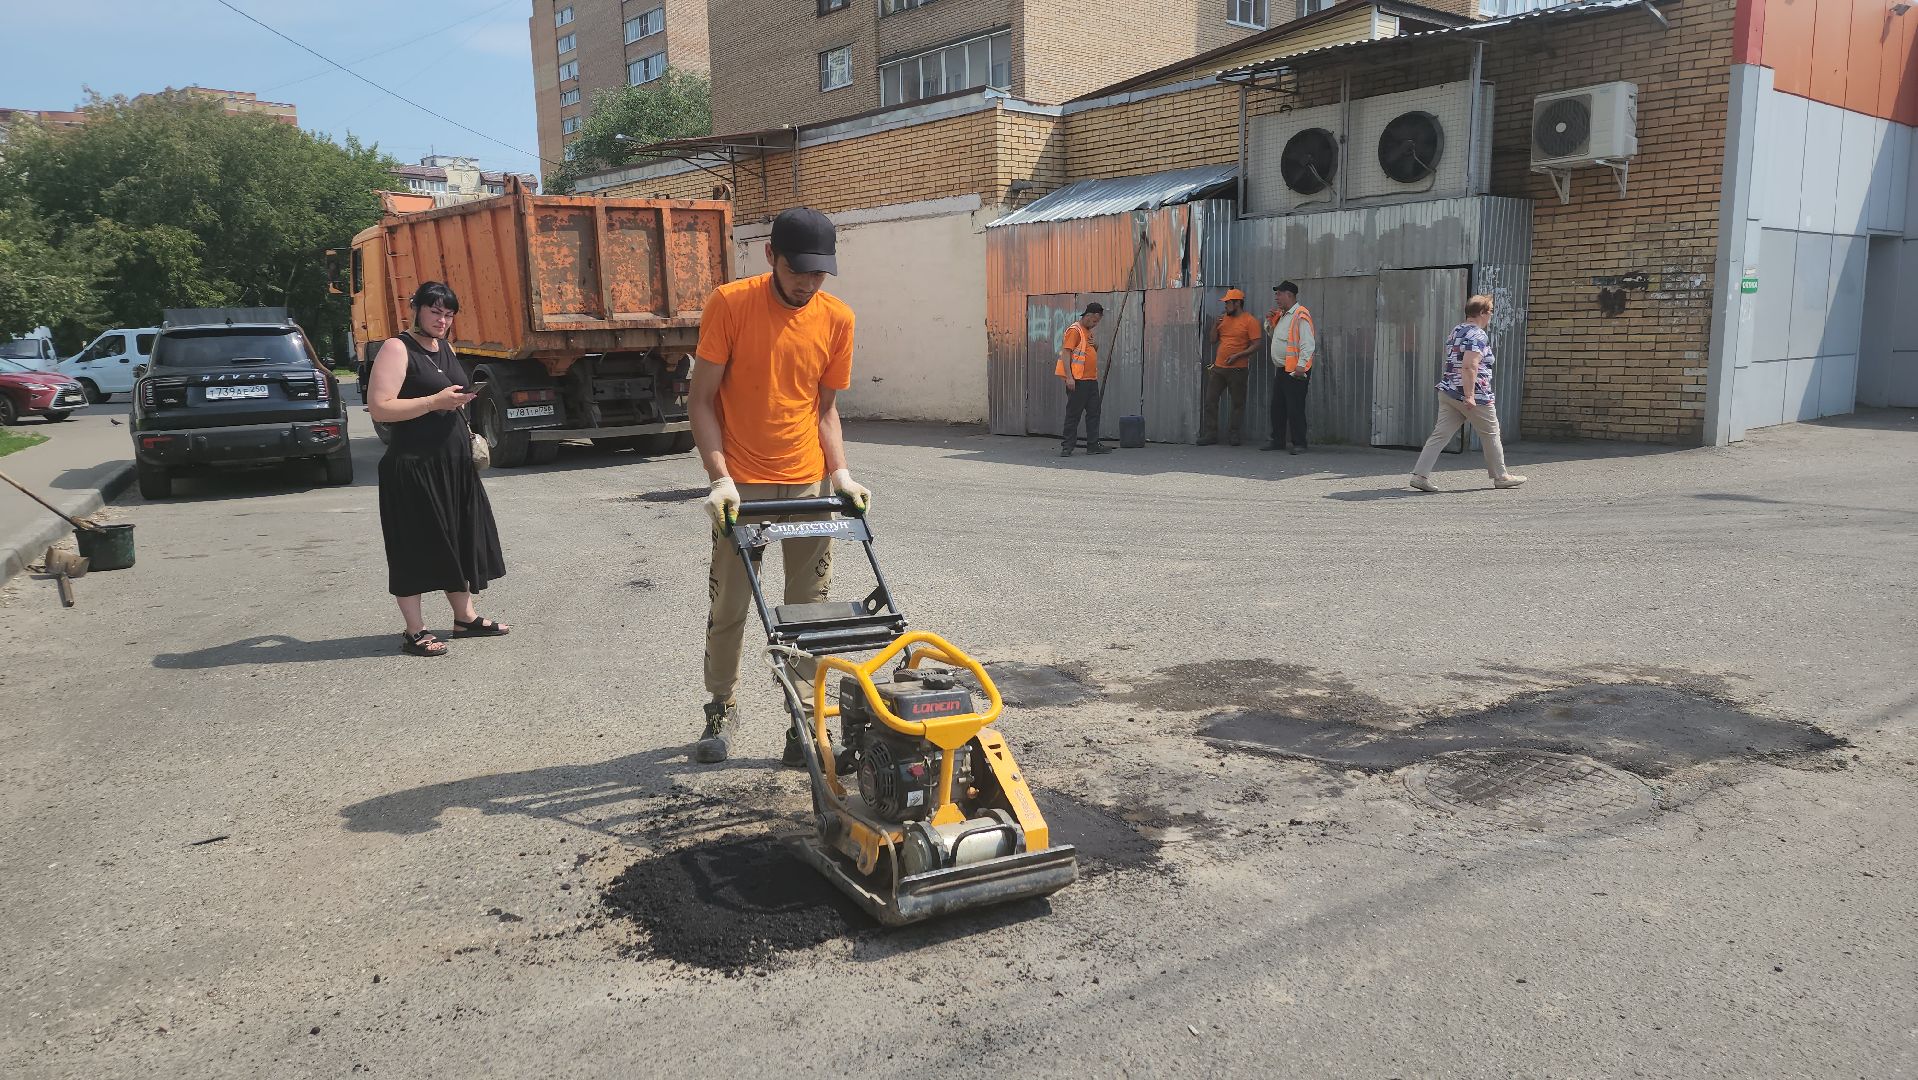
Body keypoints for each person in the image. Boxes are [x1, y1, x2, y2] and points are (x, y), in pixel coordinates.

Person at [690, 206, 873, 766]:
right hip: (741, 488)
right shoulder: (731, 304)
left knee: (809, 611)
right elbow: (700, 400)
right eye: (799, 271)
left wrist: (839, 472)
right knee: (731, 606)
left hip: (806, 485)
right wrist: (720, 479)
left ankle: (802, 719)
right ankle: (720, 708)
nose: (808, 284)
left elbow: (826, 410)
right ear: (771, 256)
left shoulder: (837, 318)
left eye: (820, 274)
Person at [366, 281, 509, 657]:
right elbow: (380, 407)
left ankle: (465, 618)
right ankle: (415, 631)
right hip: (414, 467)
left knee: (458, 540)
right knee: (413, 547)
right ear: (416, 309)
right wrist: (433, 402)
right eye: (435, 311)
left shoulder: (443, 347)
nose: (442, 320)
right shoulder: (397, 348)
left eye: (448, 314)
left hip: (453, 465)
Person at [1408, 294, 1528, 492]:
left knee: (1440, 435)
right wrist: (1470, 395)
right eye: (1490, 312)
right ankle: (1501, 476)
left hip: (1449, 391)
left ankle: (1420, 475)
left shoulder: (1457, 330)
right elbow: (1470, 366)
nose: (1490, 316)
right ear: (1481, 313)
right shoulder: (1478, 335)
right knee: (1491, 432)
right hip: (1473, 394)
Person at [1198, 289, 1262, 446]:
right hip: (1218, 368)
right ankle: (1211, 433)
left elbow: (1257, 345)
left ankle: (1234, 433)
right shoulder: (1222, 319)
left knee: (1237, 403)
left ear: (1237, 303)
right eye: (1225, 303)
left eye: (1228, 303)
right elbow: (1213, 340)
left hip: (1238, 369)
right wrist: (1215, 325)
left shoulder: (1250, 321)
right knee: (1210, 400)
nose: (1225, 306)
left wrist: (1238, 355)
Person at [1264, 281, 1316, 455]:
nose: (1276, 298)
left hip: (1296, 371)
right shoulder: (1282, 315)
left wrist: (1301, 367)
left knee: (1295, 407)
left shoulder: (1300, 314)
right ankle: (1277, 440)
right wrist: (1270, 321)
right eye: (1276, 294)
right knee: (1277, 407)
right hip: (1282, 369)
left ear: (1290, 295)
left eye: (1279, 294)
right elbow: (1275, 336)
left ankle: (1300, 443)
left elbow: (1307, 343)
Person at [1057, 302, 1109, 457]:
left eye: (1097, 322)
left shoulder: (1088, 332)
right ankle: (1067, 447)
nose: (1095, 324)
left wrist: (1096, 345)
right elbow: (1066, 353)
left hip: (1091, 380)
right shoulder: (1075, 331)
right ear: (1088, 316)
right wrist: (1069, 378)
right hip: (1078, 380)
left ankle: (1093, 445)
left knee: (1094, 412)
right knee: (1074, 414)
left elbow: (1089, 351)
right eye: (1094, 321)